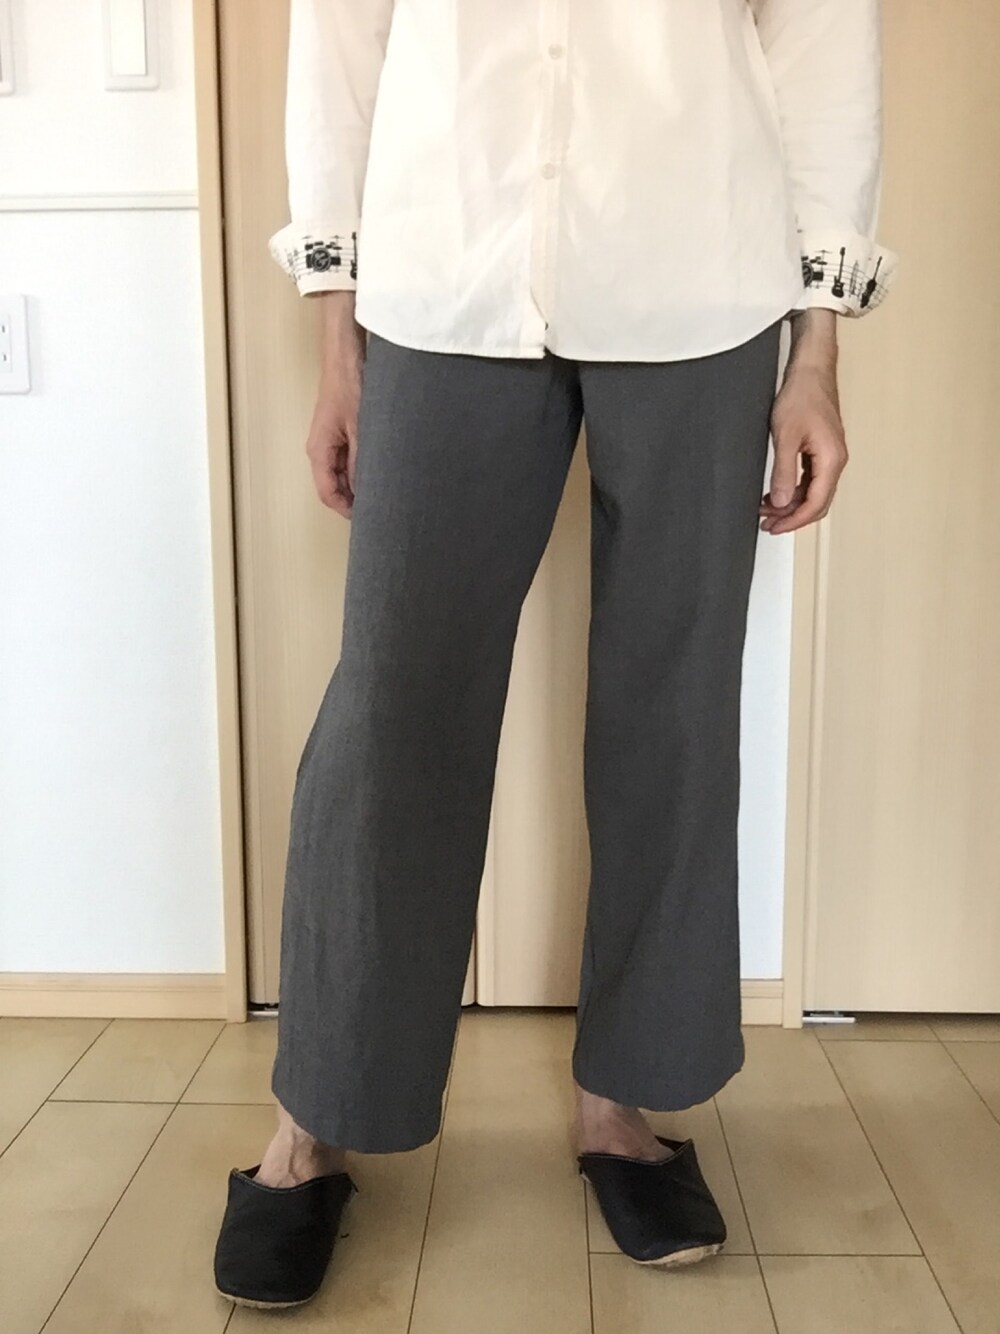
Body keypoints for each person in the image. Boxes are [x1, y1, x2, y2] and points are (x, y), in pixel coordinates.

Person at [214, 0, 897, 1309]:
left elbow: (823, 50)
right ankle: (312, 1124)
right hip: (445, 279)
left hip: (701, 282)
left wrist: (817, 349)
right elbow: (340, 47)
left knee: (672, 709)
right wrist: (336, 333)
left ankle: (621, 1105)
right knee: (394, 709)